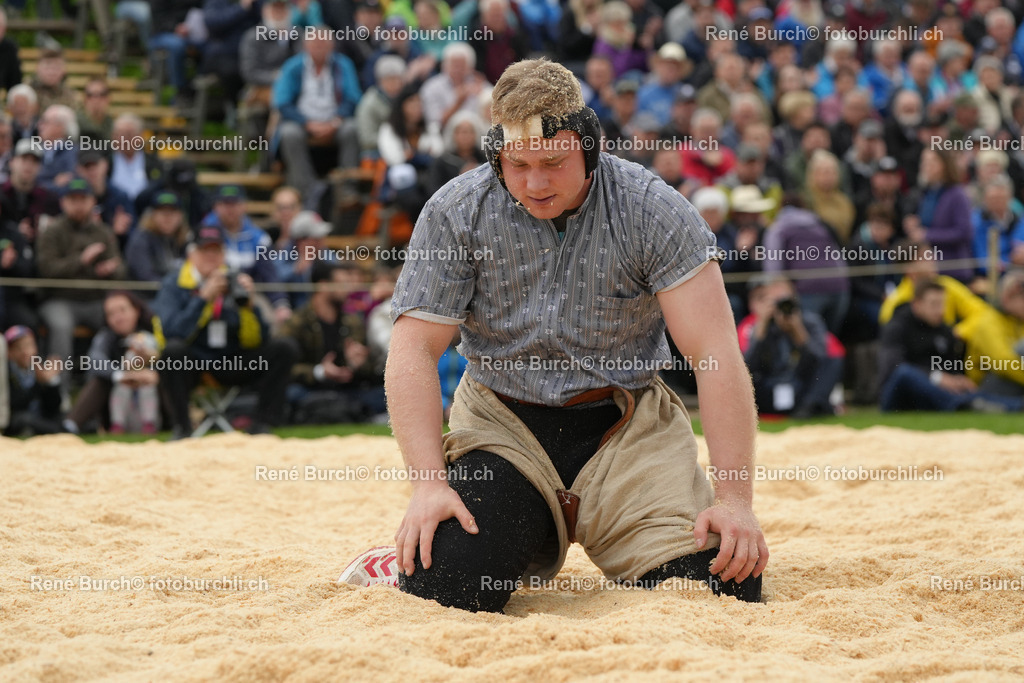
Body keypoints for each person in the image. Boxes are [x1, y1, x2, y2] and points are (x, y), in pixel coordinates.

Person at [341, 59, 768, 611]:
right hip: (504, 427)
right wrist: (428, 485)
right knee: (447, 583)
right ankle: (398, 562)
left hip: (626, 428)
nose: (535, 182)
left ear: (588, 146)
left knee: (727, 585)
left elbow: (714, 353)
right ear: (497, 153)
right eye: (516, 164)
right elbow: (413, 350)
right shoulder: (455, 212)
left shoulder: (651, 207)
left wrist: (734, 499)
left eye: (553, 162)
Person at [152, 226, 298, 438]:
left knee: (284, 348)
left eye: (216, 251)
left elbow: (258, 340)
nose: (211, 257)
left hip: (233, 361)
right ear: (192, 254)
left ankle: (262, 425)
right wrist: (202, 299)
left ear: (224, 255)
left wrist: (249, 307)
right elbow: (172, 332)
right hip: (195, 363)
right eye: (205, 251)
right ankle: (182, 428)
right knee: (173, 352)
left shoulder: (235, 281)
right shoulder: (174, 284)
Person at [36, 177, 127, 393]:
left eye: (83, 199)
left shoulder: (103, 231)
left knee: (121, 322)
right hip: (59, 299)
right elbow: (46, 270)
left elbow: (122, 269)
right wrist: (81, 260)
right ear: (63, 203)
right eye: (72, 199)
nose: (78, 204)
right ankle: (61, 394)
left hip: (96, 300)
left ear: (92, 201)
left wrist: (111, 269)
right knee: (61, 327)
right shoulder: (52, 231)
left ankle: (108, 393)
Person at [878, 280, 1022, 413]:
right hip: (899, 396)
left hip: (932, 395)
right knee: (905, 373)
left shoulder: (945, 330)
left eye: (942, 304)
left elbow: (951, 366)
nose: (940, 310)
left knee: (970, 391)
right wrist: (937, 377)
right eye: (934, 304)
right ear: (917, 304)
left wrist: (957, 380)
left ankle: (1016, 406)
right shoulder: (897, 326)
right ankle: (963, 405)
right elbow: (893, 366)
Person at [280, 261, 385, 423]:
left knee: (385, 394)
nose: (347, 289)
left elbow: (369, 370)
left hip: (346, 389)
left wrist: (356, 363)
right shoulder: (297, 322)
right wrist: (319, 372)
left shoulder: (352, 322)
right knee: (291, 394)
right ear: (323, 285)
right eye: (341, 284)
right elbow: (282, 368)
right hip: (310, 389)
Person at [273, 29, 363, 209]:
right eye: (315, 43)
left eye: (323, 43)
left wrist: (335, 122)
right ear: (306, 45)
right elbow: (282, 102)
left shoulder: (343, 65)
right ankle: (306, 190)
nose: (319, 47)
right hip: (303, 122)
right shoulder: (293, 66)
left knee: (352, 129)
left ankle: (347, 188)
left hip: (335, 121)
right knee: (288, 133)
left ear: (332, 45)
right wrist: (306, 123)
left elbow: (353, 98)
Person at [740, 276, 841, 418]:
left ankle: (809, 408)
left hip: (800, 387)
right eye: (776, 302)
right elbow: (748, 365)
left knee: (832, 361)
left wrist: (797, 330)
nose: (782, 307)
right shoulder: (759, 325)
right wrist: (762, 326)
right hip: (769, 387)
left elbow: (818, 361)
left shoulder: (810, 322)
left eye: (785, 301)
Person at [64, 291, 164, 434]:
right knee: (100, 379)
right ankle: (71, 425)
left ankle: (178, 423)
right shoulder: (106, 337)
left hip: (154, 398)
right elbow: (95, 360)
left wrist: (154, 372)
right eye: (111, 314)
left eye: (122, 310)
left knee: (169, 376)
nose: (118, 318)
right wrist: (121, 375)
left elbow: (169, 358)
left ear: (136, 310)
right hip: (116, 405)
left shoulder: (154, 332)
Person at [955, 269, 1024, 399]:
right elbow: (1003, 363)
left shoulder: (1017, 321)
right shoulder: (988, 321)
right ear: (1008, 296)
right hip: (985, 386)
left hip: (1012, 378)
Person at [2, 325, 63, 436]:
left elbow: (54, 406)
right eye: (19, 347)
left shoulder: (39, 366)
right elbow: (15, 404)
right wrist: (38, 383)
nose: (26, 352)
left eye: (29, 345)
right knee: (24, 419)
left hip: (41, 417)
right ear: (9, 353)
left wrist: (51, 382)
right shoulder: (6, 371)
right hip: (19, 420)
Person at [124, 191, 191, 283]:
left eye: (172, 212)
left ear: (180, 216)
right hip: (143, 295)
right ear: (152, 215)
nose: (167, 217)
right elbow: (146, 276)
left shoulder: (186, 240)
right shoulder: (141, 240)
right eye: (162, 212)